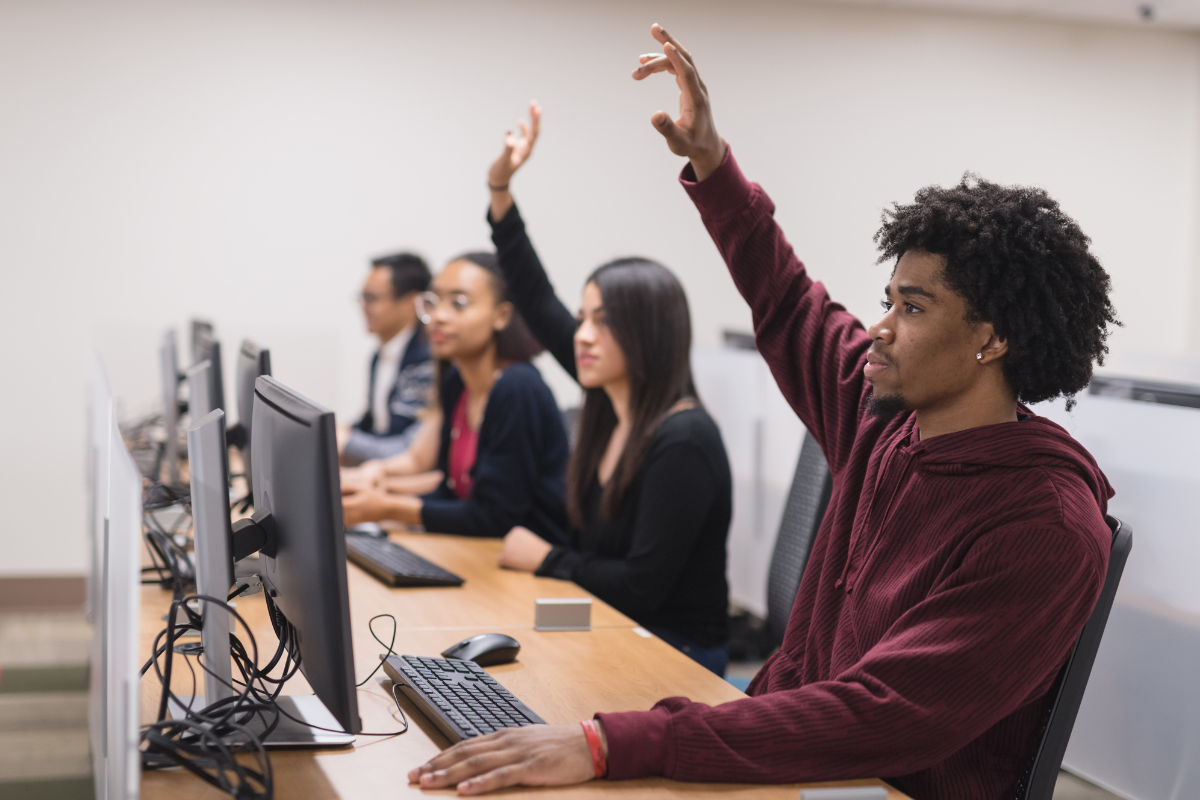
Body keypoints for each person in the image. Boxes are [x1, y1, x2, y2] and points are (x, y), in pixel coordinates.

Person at [406, 23, 1120, 800]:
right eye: (887, 301)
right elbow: (786, 295)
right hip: (799, 759)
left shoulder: (1043, 526)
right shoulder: (885, 419)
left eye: (912, 308)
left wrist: (617, 740)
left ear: (992, 339)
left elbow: (882, 717)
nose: (878, 325)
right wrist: (711, 165)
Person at [483, 101, 733, 676]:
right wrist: (500, 188)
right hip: (610, 622)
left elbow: (643, 588)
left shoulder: (684, 440)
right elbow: (535, 297)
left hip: (676, 653)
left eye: (603, 321)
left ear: (645, 335)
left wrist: (547, 558)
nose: (583, 336)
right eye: (583, 317)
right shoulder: (608, 400)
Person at [341, 252, 570, 542]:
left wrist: (388, 506)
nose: (438, 317)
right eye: (433, 303)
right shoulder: (456, 383)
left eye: (458, 304)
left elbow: (496, 516)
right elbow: (451, 491)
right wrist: (379, 493)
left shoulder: (517, 387)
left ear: (501, 316)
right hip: (482, 551)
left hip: (526, 564)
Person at [340, 252, 434, 465]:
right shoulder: (379, 355)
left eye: (371, 298)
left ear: (411, 303)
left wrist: (345, 441)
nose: (363, 307)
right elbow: (373, 422)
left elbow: (404, 445)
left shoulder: (426, 361)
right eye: (362, 297)